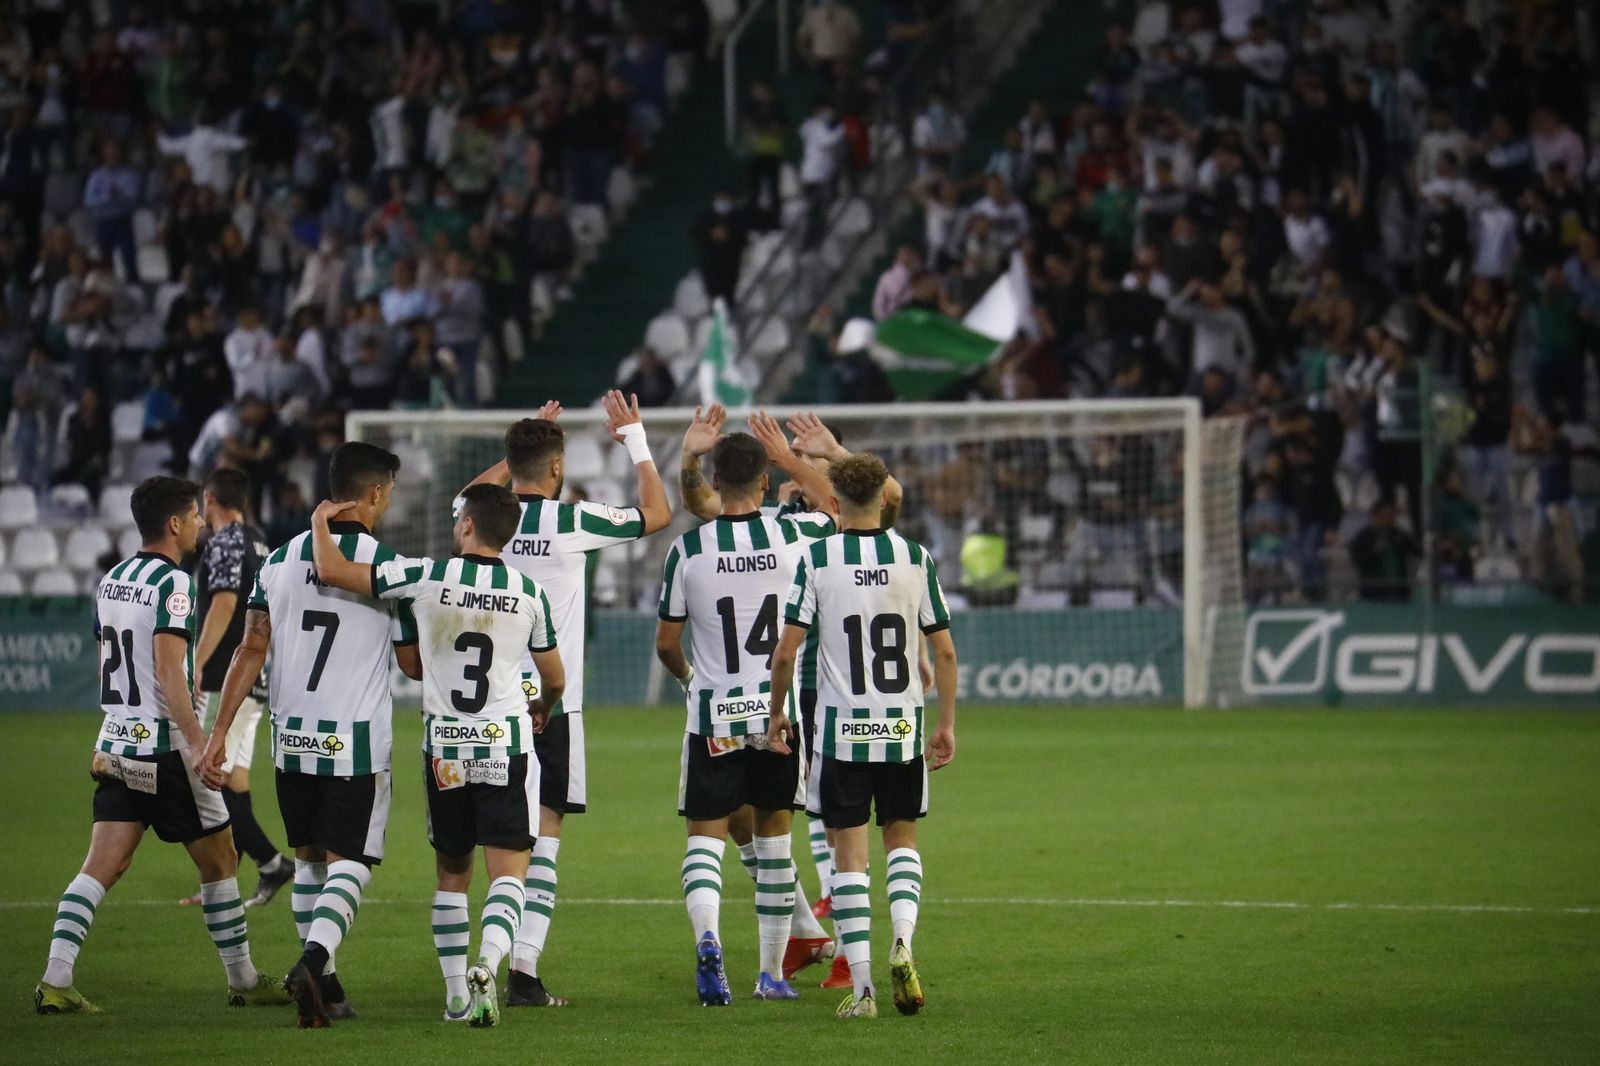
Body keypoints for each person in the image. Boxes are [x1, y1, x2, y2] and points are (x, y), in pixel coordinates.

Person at [308, 482, 565, 1029]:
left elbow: (332, 572)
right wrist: (541, 705)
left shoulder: (427, 575)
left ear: (468, 526)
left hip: (444, 751)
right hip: (504, 745)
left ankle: (455, 1000)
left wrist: (319, 524)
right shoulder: (530, 592)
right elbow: (555, 677)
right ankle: (488, 966)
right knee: (509, 876)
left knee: (452, 874)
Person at [35, 476, 287, 1014]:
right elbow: (171, 676)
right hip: (162, 746)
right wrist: (197, 745)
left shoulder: (111, 580)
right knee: (221, 856)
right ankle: (243, 979)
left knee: (102, 864)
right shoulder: (174, 584)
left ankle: (55, 979)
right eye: (194, 516)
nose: (200, 523)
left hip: (114, 742)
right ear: (174, 524)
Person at [681, 409, 908, 990]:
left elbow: (884, 499)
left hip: (809, 688)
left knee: (823, 821)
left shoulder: (820, 523)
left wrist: (795, 458)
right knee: (746, 821)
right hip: (773, 690)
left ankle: (838, 953)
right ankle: (805, 931)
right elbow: (710, 509)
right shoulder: (788, 524)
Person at [458, 390, 671, 1007]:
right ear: (558, 469)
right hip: (551, 706)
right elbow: (656, 514)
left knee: (478, 850)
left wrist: (514, 452)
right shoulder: (571, 520)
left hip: (485, 708)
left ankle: (475, 971)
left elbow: (471, 494)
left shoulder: (477, 519)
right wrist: (634, 438)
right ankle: (522, 970)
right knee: (543, 840)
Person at [203, 443, 422, 1027]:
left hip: (290, 737)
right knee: (352, 861)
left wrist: (218, 732)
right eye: (390, 492)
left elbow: (251, 647)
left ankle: (327, 987)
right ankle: (313, 960)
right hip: (353, 740)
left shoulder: (276, 561)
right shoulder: (384, 567)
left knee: (308, 861)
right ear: (374, 493)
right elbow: (412, 664)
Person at [654, 419, 840, 1004]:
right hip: (776, 711)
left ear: (715, 479)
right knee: (773, 837)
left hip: (713, 712)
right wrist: (790, 458)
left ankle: (709, 940)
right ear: (763, 482)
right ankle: (770, 975)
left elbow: (666, 643)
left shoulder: (688, 548)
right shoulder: (798, 537)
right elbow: (838, 505)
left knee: (704, 840)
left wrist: (691, 682)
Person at [767, 453, 958, 1020]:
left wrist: (777, 712)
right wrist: (944, 723)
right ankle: (904, 941)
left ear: (833, 503)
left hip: (841, 737)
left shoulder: (818, 557)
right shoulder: (915, 556)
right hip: (901, 730)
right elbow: (943, 650)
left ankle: (866, 988)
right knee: (901, 842)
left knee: (848, 858)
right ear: (883, 499)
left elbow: (786, 650)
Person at [181, 469, 291, 910]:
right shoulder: (261, 540)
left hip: (232, 677)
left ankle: (270, 863)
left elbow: (225, 602)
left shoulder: (224, 542)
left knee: (210, 778)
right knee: (232, 781)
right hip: (257, 676)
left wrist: (196, 663)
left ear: (209, 500)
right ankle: (224, 883)